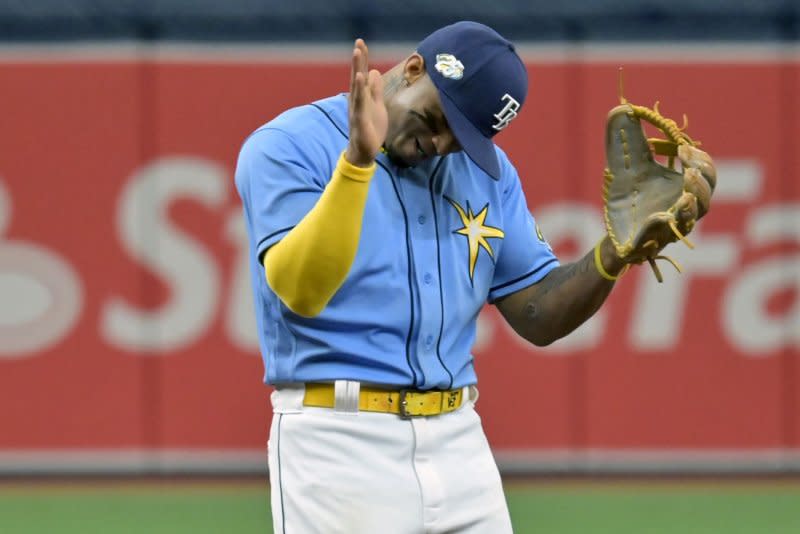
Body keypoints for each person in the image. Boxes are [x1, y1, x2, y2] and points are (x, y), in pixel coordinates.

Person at [235, 21, 715, 534]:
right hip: (339, 441)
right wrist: (357, 163)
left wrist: (613, 255)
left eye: (461, 137)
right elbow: (299, 292)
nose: (440, 144)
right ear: (414, 70)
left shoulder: (489, 174)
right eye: (437, 120)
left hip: (458, 439)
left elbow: (537, 314)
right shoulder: (288, 145)